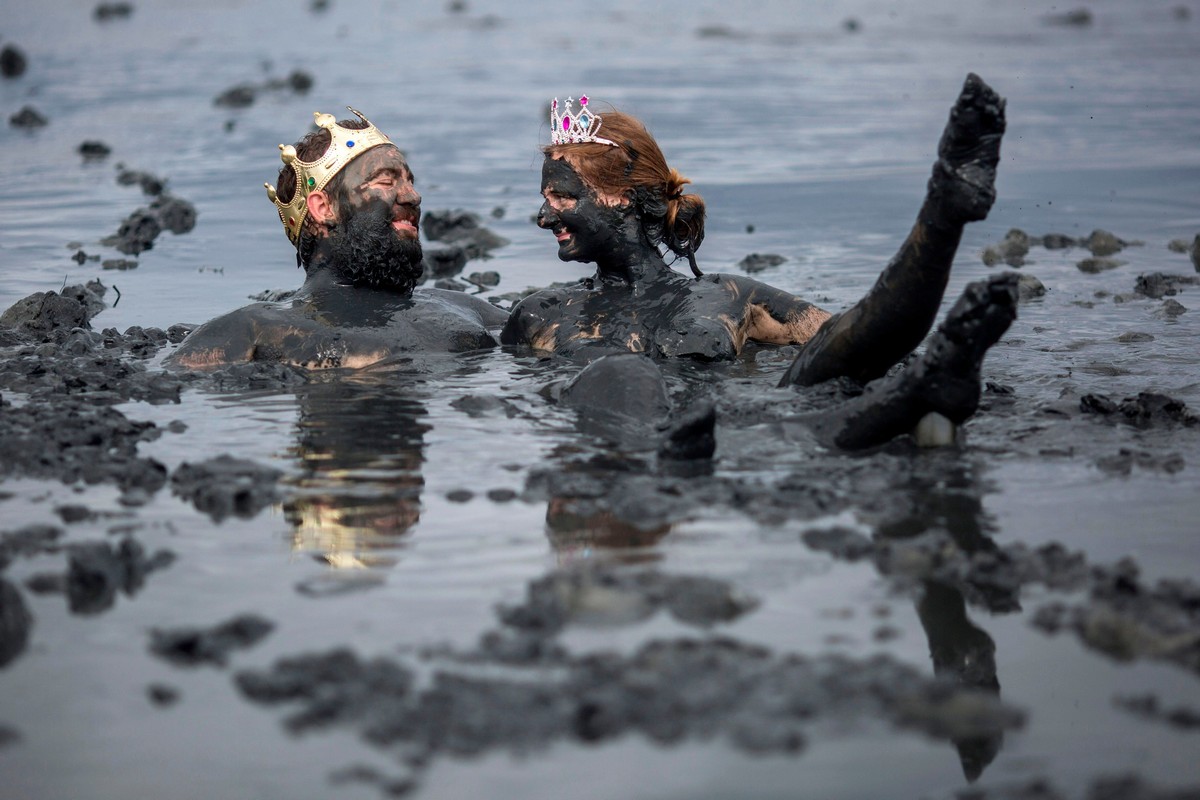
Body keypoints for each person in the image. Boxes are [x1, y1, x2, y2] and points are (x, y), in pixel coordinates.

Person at [503, 76, 1017, 449]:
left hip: (727, 429)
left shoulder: (728, 297)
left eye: (562, 197)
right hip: (647, 442)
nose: (545, 217)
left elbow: (850, 336)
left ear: (620, 196)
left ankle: (943, 214)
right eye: (545, 198)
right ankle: (922, 389)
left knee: (824, 363)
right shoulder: (541, 314)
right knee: (619, 371)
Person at [168, 108, 507, 370]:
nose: (413, 196)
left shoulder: (466, 308)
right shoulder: (252, 330)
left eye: (410, 181)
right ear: (323, 207)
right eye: (387, 182)